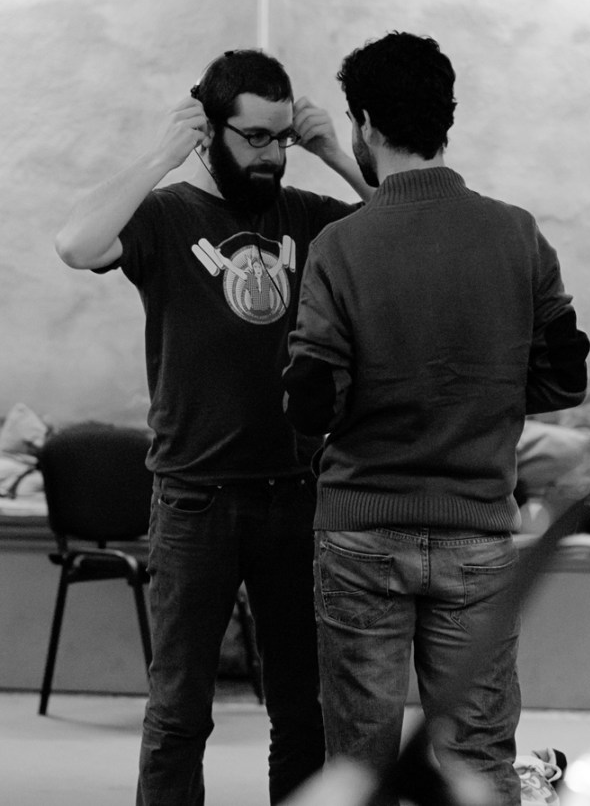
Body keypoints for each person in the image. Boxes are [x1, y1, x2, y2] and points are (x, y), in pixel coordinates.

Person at [55, 49, 373, 806]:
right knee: (178, 713)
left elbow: (410, 231)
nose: (271, 155)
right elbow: (75, 244)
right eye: (254, 137)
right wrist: (162, 153)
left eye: (281, 137)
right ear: (208, 130)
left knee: (303, 709)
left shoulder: (305, 214)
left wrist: (334, 154)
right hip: (193, 500)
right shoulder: (166, 216)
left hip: (293, 494)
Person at [282, 31, 590, 805]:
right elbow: (565, 375)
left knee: (360, 762)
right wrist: (482, 395)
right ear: (446, 116)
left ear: (363, 123)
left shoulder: (339, 245)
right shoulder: (517, 233)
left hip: (361, 530)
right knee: (478, 758)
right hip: (477, 530)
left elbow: (313, 400)